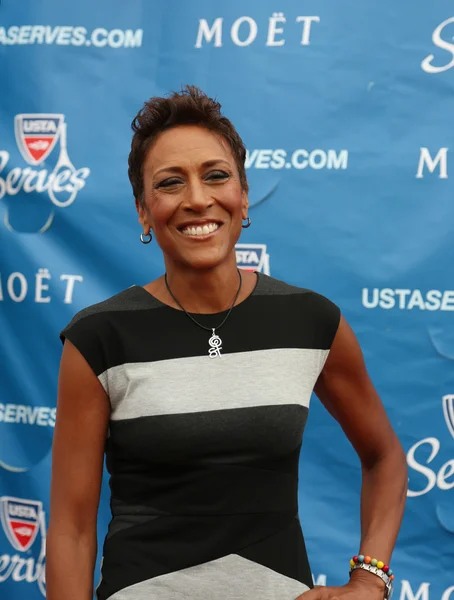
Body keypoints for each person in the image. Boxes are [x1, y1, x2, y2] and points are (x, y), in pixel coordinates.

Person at [46, 85, 407, 600]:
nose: (197, 198)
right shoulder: (98, 338)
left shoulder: (310, 320)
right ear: (144, 212)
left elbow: (385, 458)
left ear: (243, 197)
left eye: (216, 176)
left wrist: (370, 580)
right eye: (170, 183)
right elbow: (71, 532)